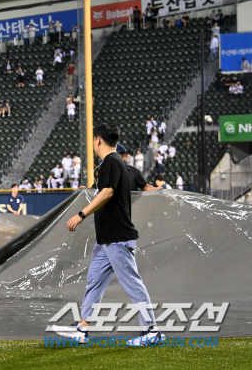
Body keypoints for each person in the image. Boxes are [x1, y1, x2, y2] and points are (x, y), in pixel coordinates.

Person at [54, 122, 165, 346]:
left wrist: (81, 214)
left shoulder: (112, 161)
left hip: (117, 237)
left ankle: (152, 330)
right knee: (94, 283)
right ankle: (82, 329)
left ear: (98, 140)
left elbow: (107, 192)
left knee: (132, 283)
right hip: (106, 239)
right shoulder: (113, 162)